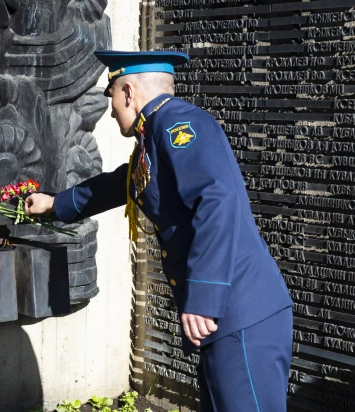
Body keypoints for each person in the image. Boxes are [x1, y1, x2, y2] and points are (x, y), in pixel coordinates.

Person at [25, 50, 294, 411]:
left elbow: (217, 201)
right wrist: (54, 204)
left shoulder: (178, 124)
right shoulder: (153, 136)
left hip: (242, 313)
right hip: (229, 320)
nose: (112, 110)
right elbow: (120, 183)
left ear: (128, 93)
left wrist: (204, 297)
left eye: (112, 97)